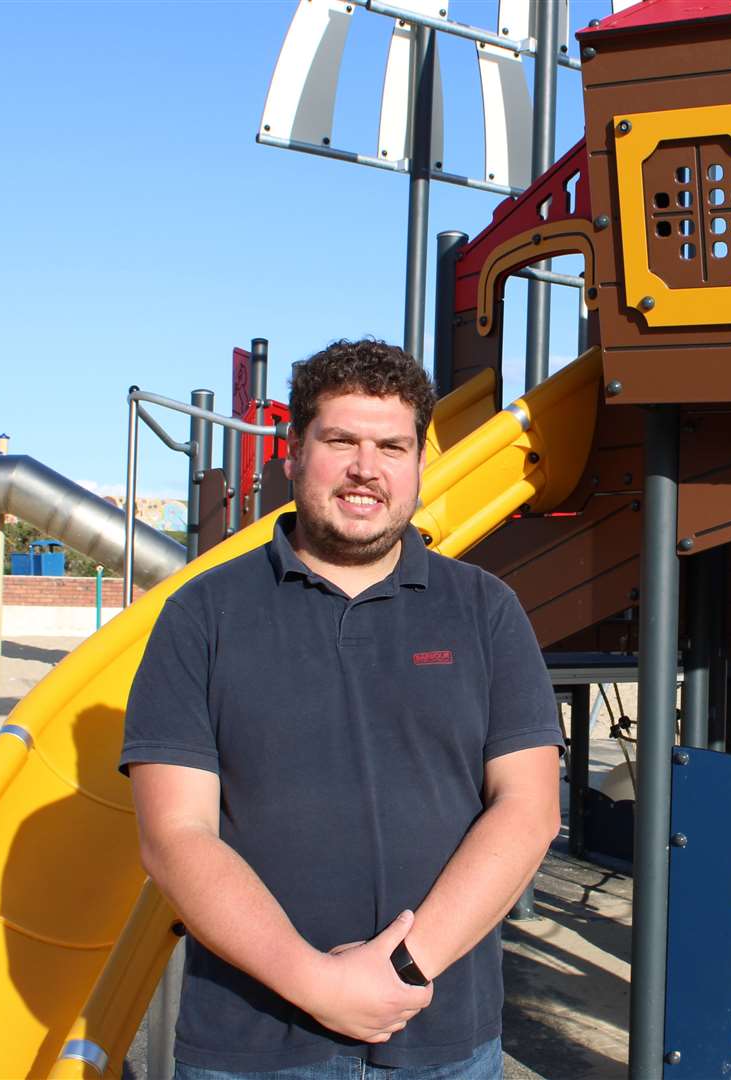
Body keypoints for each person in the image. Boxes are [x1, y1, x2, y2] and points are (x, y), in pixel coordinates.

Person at [121, 338, 562, 1078]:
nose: (366, 467)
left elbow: (528, 809)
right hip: (250, 1046)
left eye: (392, 446)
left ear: (419, 465)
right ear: (293, 453)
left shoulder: (484, 610)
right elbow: (175, 833)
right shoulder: (202, 614)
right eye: (340, 441)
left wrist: (402, 972)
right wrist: (314, 982)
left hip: (440, 1040)